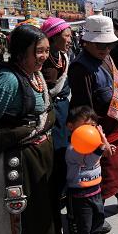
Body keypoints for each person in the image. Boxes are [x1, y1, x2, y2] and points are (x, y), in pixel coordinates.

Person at [0, 24, 64, 234]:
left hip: (39, 158)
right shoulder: (7, 81)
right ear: (20, 52)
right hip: (18, 163)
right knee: (23, 219)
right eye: (38, 51)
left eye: (46, 50)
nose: (44, 56)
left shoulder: (34, 74)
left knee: (43, 212)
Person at [68, 15, 118, 234]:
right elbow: (84, 108)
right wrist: (96, 141)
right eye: (99, 44)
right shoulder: (81, 68)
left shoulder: (105, 57)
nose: (105, 48)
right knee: (100, 174)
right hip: (99, 130)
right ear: (86, 42)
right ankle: (95, 214)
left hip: (116, 128)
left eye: (108, 44)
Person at [65, 106, 114, 234]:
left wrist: (106, 146)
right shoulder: (72, 149)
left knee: (96, 223)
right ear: (71, 127)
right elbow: (89, 160)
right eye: (86, 126)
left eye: (93, 126)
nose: (91, 130)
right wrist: (101, 148)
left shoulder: (92, 144)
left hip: (95, 190)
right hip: (79, 195)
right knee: (82, 228)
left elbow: (102, 155)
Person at [40, 17, 72, 201]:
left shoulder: (64, 56)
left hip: (63, 109)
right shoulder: (42, 60)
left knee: (65, 151)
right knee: (56, 152)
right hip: (48, 111)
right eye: (66, 36)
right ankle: (56, 191)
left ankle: (63, 188)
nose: (70, 40)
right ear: (52, 37)